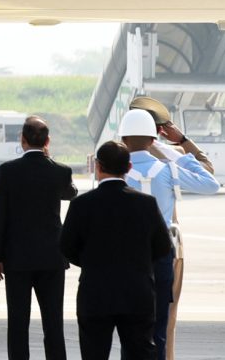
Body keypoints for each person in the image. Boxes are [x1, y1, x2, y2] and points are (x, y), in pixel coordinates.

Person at [118, 107, 219, 360]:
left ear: (124, 138)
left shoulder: (115, 165)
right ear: (157, 134)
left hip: (127, 255)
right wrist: (179, 147)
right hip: (164, 251)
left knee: (129, 325)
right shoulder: (171, 161)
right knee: (162, 324)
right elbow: (210, 181)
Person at [60, 141, 172, 360]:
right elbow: (162, 246)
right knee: (140, 352)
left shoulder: (82, 204)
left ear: (97, 166)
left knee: (94, 352)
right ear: (129, 168)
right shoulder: (147, 204)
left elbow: (66, 247)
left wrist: (91, 262)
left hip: (95, 293)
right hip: (137, 293)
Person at [0, 116, 78, 360]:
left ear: (22, 140)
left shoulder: (7, 171)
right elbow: (71, 193)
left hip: (17, 258)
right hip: (51, 258)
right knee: (53, 323)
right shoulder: (60, 171)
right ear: (48, 141)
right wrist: (50, 160)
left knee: (17, 322)